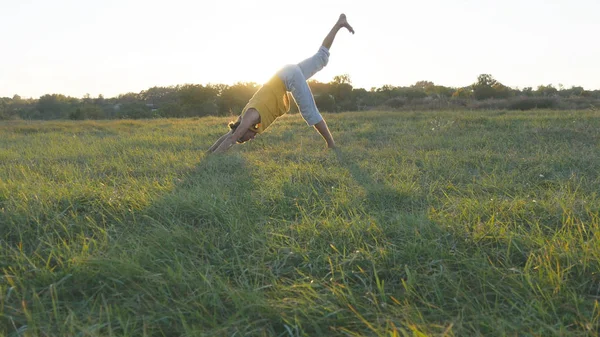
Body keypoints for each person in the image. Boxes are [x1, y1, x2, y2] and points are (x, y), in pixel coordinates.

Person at [208, 14, 355, 154]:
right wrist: (209, 152)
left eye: (246, 138)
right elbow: (230, 134)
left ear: (243, 131)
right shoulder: (243, 120)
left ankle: (331, 145)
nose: (251, 139)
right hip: (285, 74)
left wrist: (213, 158)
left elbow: (233, 138)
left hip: (287, 77)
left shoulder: (248, 118)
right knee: (321, 58)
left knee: (309, 111)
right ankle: (339, 24)